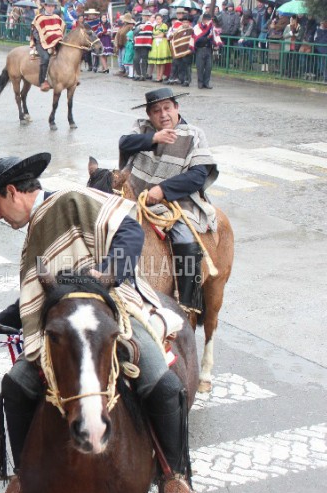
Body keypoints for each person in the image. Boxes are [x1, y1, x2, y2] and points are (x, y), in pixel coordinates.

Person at [0, 152, 200, 493]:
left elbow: (129, 228)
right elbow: (33, 299)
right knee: (15, 384)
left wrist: (108, 272)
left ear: (12, 192)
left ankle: (174, 479)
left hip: (112, 307)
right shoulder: (36, 229)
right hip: (62, 321)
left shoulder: (71, 198)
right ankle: (23, 478)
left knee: (164, 384)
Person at [119, 88, 219, 314]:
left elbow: (198, 175)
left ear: (176, 108)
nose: (163, 115)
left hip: (177, 201)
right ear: (149, 114)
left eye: (167, 108)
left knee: (186, 239)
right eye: (156, 111)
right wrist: (153, 138)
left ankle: (188, 303)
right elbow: (124, 143)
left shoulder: (194, 134)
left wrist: (163, 189)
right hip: (135, 197)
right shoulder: (142, 129)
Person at [29, 0, 65, 91]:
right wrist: (44, 41)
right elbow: (34, 31)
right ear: (44, 6)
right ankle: (42, 81)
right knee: (45, 58)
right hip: (41, 43)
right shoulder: (39, 18)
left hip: (56, 42)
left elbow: (61, 29)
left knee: (66, 54)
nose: (51, 8)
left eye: (52, 6)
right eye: (49, 6)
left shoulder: (57, 17)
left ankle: (67, 77)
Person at [191, 13, 221, 89]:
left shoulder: (211, 28)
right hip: (200, 49)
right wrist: (207, 37)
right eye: (207, 20)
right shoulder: (197, 27)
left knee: (209, 67)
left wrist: (216, 44)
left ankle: (206, 83)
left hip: (208, 49)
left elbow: (215, 37)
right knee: (200, 67)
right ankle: (200, 83)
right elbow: (197, 40)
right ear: (203, 20)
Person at [149, 13, 172, 82]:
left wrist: (154, 36)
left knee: (161, 62)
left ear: (162, 19)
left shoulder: (164, 25)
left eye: (159, 19)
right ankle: (158, 76)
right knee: (157, 61)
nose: (158, 20)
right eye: (157, 19)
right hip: (156, 44)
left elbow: (162, 35)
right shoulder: (155, 26)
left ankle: (160, 76)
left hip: (162, 44)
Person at [133, 11, 154, 81]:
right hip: (137, 44)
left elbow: (151, 33)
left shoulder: (150, 24)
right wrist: (139, 28)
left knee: (144, 60)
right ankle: (138, 74)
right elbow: (134, 32)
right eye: (144, 16)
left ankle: (144, 75)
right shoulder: (138, 23)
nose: (145, 17)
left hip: (146, 45)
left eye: (147, 16)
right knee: (136, 59)